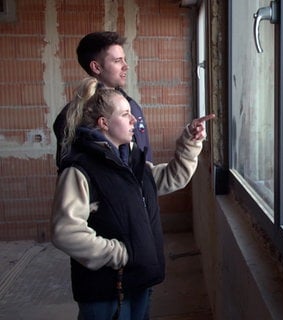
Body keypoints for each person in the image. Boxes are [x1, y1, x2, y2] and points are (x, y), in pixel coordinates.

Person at [51, 79, 214, 320]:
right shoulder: (80, 170)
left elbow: (171, 178)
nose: (134, 120)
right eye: (126, 114)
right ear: (104, 123)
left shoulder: (130, 162)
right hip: (106, 290)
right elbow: (65, 232)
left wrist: (190, 142)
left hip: (138, 279)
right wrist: (118, 254)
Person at [54, 31, 152, 168]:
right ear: (96, 67)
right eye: (117, 61)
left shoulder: (131, 105)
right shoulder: (75, 115)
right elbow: (71, 167)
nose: (126, 66)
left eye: (124, 59)